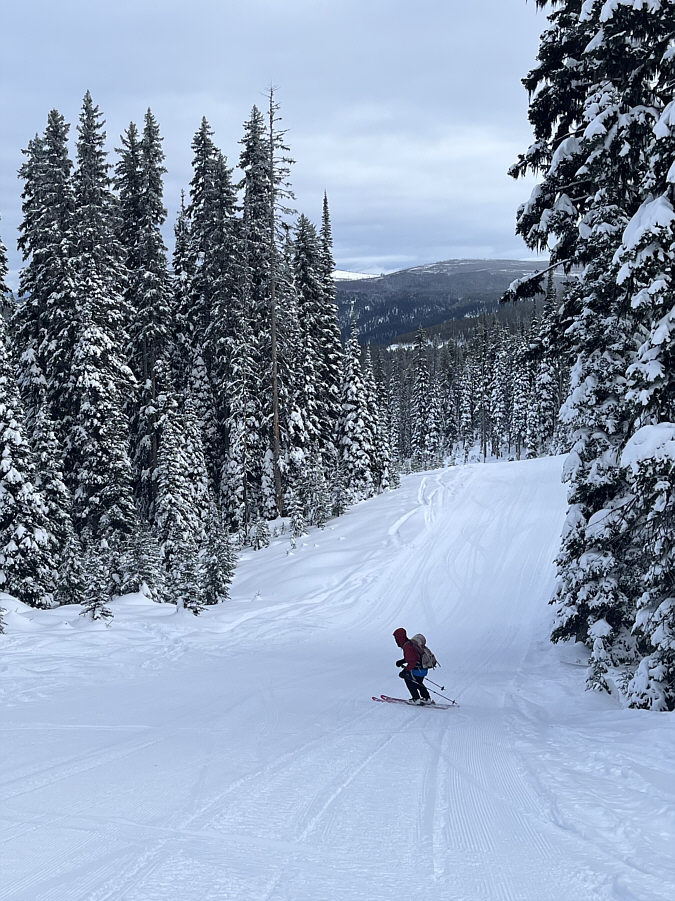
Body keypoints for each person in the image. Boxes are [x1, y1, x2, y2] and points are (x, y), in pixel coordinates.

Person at [393, 627, 433, 705]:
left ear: (399, 638)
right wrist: (402, 661)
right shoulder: (410, 643)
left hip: (417, 669)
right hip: (423, 668)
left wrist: (405, 671)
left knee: (409, 680)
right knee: (418, 682)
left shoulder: (407, 647)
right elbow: (413, 657)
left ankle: (416, 699)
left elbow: (412, 661)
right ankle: (426, 698)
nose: (396, 641)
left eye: (396, 639)